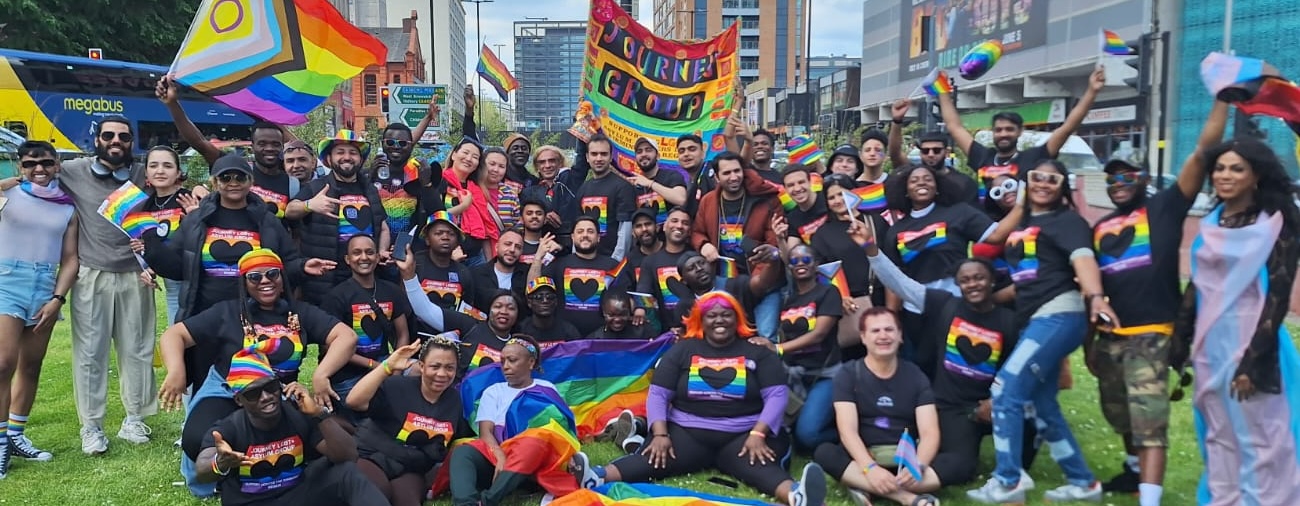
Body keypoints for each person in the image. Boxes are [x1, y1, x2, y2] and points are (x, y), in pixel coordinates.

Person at [1086, 101, 1227, 504]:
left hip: (1152, 336)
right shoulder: (1100, 226)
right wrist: (1089, 343)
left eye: (1127, 175)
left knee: (1149, 420)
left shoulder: (1164, 206)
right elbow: (1091, 287)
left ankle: (1150, 499)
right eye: (1112, 177)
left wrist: (1221, 100)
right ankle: (1134, 474)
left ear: (1143, 177)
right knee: (1119, 416)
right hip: (1111, 337)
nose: (1119, 183)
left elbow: (1203, 153)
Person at [576, 291, 827, 506]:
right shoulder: (683, 350)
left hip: (744, 434)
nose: (720, 320)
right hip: (688, 432)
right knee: (652, 458)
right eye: (712, 315)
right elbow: (659, 394)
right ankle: (596, 476)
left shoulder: (757, 352)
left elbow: (777, 395)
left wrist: (759, 433)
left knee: (759, 465)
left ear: (737, 317)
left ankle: (797, 496)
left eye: (727, 314)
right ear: (701, 320)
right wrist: (661, 434)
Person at [966, 159, 1118, 503]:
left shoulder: (1067, 221)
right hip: (1036, 317)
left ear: (1063, 185)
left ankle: (1008, 480)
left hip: (1059, 315)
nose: (1044, 184)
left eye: (1053, 179)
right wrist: (986, 299)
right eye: (1037, 178)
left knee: (1004, 392)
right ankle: (1083, 483)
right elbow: (1016, 273)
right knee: (1041, 404)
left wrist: (1095, 297)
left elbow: (1083, 261)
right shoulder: (1027, 221)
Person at [158, 248, 356, 496]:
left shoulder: (299, 313)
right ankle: (219, 479)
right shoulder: (227, 312)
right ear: (244, 283)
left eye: (272, 274)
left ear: (282, 278)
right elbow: (174, 335)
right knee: (198, 438)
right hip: (227, 389)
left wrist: (320, 374)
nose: (265, 281)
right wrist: (176, 371)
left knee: (321, 441)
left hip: (277, 393)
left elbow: (346, 336)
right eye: (255, 277)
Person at [1171, 137, 1300, 506]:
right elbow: (1198, 284)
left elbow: (1278, 296)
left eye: (1236, 168)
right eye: (1220, 168)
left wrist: (1253, 361)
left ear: (1256, 175)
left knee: (1262, 437)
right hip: (1211, 343)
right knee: (1219, 433)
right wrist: (1179, 340)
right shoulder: (1212, 222)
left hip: (1253, 341)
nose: (1225, 175)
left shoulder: (1278, 225)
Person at [859, 221, 1033, 488]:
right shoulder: (944, 305)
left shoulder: (1008, 321)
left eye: (979, 278)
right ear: (958, 285)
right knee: (961, 466)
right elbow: (901, 284)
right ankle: (893, 484)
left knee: (1031, 420)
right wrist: (872, 249)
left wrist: (995, 399)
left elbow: (1021, 368)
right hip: (951, 408)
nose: (972, 284)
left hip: (992, 404)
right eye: (965, 280)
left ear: (991, 281)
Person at [52, 115, 158, 454]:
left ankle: (135, 419)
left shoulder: (144, 173)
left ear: (131, 142)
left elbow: (176, 185)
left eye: (124, 137)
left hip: (136, 273)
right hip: (91, 274)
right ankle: (92, 427)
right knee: (89, 354)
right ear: (97, 138)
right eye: (109, 135)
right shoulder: (74, 171)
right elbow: (34, 174)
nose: (116, 141)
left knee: (138, 350)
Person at [143, 153, 328, 324]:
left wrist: (303, 266)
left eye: (240, 177)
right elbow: (177, 269)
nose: (233, 183)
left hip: (254, 315)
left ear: (250, 182)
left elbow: (286, 263)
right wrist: (152, 246)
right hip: (204, 316)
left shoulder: (267, 221)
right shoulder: (196, 220)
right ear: (214, 182)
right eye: (225, 178)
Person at [196, 344, 388, 505]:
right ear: (239, 400)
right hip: (250, 501)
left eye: (270, 387)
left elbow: (348, 456)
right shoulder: (231, 427)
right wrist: (219, 463)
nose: (266, 397)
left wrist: (319, 414)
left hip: (296, 495)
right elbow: (202, 468)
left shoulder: (297, 415)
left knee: (347, 474)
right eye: (254, 394)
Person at [0, 141, 78, 475]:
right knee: (3, 363)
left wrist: (57, 298)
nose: (39, 169)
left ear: (57, 164)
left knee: (31, 366)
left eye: (46, 162)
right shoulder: (8, 197)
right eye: (30, 163)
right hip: (7, 281)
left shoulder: (66, 206)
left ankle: (16, 434)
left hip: (45, 287)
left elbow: (71, 259)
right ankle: (0, 444)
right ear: (20, 165)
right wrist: (10, 183)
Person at [813, 308, 941, 506]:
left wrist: (919, 465)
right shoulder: (847, 374)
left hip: (905, 462)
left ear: (900, 336)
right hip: (865, 458)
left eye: (889, 330)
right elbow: (847, 431)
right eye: (875, 331)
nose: (883, 336)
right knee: (824, 452)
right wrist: (870, 468)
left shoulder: (917, 376)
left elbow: (929, 432)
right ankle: (907, 498)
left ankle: (865, 486)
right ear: (863, 338)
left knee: (959, 464)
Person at [447, 335, 585, 505]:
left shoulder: (547, 389)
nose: (505, 367)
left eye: (512, 360)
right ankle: (465, 503)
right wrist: (500, 456)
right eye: (503, 361)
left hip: (535, 461)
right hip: (499, 457)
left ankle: (487, 501)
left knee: (533, 443)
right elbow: (485, 432)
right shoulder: (493, 391)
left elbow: (557, 431)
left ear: (531, 363)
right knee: (463, 451)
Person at [939, 67, 1105, 198]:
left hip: (1021, 232)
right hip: (986, 230)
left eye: (1009, 129)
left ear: (1020, 132)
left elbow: (1067, 127)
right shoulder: (983, 157)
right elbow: (955, 127)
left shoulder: (1033, 158)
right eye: (998, 130)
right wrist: (943, 90)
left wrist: (1092, 92)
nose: (1004, 134)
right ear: (993, 133)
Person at [346, 338, 472, 506]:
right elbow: (354, 401)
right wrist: (387, 366)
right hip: (373, 456)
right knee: (376, 496)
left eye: (449, 368)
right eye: (435, 366)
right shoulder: (397, 386)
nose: (442, 374)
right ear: (421, 366)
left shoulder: (454, 400)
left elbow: (453, 441)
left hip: (410, 468)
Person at [158, 77, 299, 220]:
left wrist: (271, 111)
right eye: (262, 144)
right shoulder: (236, 169)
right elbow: (199, 143)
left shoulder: (293, 182)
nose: (269, 148)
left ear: (283, 146)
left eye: (275, 144)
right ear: (252, 145)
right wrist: (172, 104)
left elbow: (301, 148)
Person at [750, 243, 842, 451]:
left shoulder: (828, 292)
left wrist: (778, 348)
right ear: (789, 268)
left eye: (806, 260)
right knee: (787, 435)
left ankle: (849, 433)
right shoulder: (788, 300)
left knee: (807, 436)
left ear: (816, 264)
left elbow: (819, 334)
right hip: (793, 376)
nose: (800, 264)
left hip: (825, 374)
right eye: (794, 261)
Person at [285, 131, 390, 304]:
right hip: (326, 280)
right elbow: (290, 210)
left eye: (353, 152)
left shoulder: (370, 189)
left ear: (361, 159)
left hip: (365, 276)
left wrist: (382, 250)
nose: (347, 157)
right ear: (329, 159)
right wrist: (309, 205)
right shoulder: (316, 187)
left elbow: (383, 226)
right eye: (340, 152)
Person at [320, 234, 413, 424]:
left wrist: (394, 368)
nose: (364, 257)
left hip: (386, 363)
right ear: (347, 259)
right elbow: (331, 348)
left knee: (419, 372)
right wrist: (377, 367)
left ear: (378, 258)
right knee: (372, 408)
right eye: (357, 253)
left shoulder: (391, 290)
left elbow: (403, 334)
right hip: (349, 373)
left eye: (370, 252)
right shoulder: (336, 296)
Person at [691, 151, 785, 338]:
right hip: (724, 281)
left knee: (766, 338)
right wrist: (703, 245)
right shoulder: (708, 201)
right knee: (727, 337)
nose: (733, 177)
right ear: (717, 177)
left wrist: (759, 279)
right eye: (726, 173)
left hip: (763, 281)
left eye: (737, 171)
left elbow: (774, 241)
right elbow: (696, 232)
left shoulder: (766, 200)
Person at [398, 248, 526, 372]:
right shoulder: (470, 324)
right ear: (489, 310)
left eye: (511, 308)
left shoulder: (519, 345)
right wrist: (409, 277)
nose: (503, 311)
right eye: (498, 306)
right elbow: (425, 310)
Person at [807, 174, 889, 350]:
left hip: (879, 298)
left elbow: (892, 260)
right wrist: (839, 297)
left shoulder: (875, 222)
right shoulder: (822, 233)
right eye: (831, 197)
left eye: (841, 194)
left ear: (852, 194)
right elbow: (820, 271)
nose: (837, 200)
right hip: (847, 306)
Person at [527, 217, 628, 336]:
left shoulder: (613, 265)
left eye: (590, 231)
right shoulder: (559, 263)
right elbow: (531, 289)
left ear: (599, 237)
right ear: (572, 237)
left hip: (602, 338)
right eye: (580, 231)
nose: (585, 235)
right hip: (565, 337)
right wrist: (538, 258)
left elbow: (624, 300)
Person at [136, 146, 200, 324]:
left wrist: (196, 216)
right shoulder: (146, 206)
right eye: (154, 165)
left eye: (167, 166)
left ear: (179, 171)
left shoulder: (189, 199)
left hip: (196, 281)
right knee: (176, 331)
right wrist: (147, 267)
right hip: (171, 283)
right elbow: (149, 244)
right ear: (146, 171)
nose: (160, 171)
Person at [671, 247, 783, 336]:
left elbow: (762, 283)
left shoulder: (735, 286)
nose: (699, 269)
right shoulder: (684, 307)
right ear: (684, 280)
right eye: (692, 268)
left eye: (702, 263)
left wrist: (773, 261)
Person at [372, 113, 443, 246]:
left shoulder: (420, 172)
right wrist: (368, 178)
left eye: (403, 143)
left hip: (411, 250)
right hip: (376, 252)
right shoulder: (371, 173)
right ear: (383, 144)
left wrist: (427, 184)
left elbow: (438, 214)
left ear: (411, 146)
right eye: (390, 142)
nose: (396, 147)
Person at [575, 134, 637, 259]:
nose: (598, 158)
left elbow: (625, 230)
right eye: (594, 154)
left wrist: (616, 262)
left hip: (612, 261)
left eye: (603, 154)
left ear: (610, 157)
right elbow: (578, 228)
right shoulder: (583, 188)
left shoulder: (623, 187)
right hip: (586, 260)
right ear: (587, 157)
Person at [634, 207, 695, 331]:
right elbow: (643, 293)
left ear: (689, 231)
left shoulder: (697, 258)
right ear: (664, 226)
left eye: (685, 223)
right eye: (674, 221)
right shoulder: (650, 261)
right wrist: (639, 309)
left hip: (696, 329)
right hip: (665, 333)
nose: (679, 226)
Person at [409, 211, 476, 317]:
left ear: (457, 242)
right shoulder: (413, 264)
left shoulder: (463, 272)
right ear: (427, 239)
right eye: (438, 233)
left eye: (451, 234)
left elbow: (467, 310)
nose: (445, 237)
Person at [520, 145, 586, 239]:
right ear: (537, 167)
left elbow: (582, 159)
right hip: (541, 243)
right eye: (542, 162)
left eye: (552, 160)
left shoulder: (571, 181)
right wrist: (542, 217)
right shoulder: (529, 192)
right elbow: (523, 219)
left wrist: (583, 136)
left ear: (560, 163)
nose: (547, 165)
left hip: (571, 243)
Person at [625, 136, 687, 225]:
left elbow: (681, 199)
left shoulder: (671, 175)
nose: (643, 154)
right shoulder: (634, 184)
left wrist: (650, 183)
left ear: (658, 156)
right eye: (639, 151)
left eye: (648, 150)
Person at [470, 228, 526, 312]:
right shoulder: (476, 274)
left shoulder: (527, 273)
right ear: (496, 247)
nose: (512, 250)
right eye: (508, 244)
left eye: (518, 247)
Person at [516, 277, 582, 342]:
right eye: (539, 297)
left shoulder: (569, 331)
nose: (545, 301)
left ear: (556, 301)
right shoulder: (520, 331)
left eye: (549, 297)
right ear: (529, 302)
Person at [479, 148, 521, 244]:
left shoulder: (510, 194)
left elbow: (517, 227)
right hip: (477, 253)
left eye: (501, 166)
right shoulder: (471, 190)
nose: (496, 170)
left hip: (504, 252)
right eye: (492, 164)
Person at [780, 164, 829, 245]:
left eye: (801, 182)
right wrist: (780, 239)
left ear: (810, 182)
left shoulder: (829, 198)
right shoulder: (793, 218)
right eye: (790, 185)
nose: (797, 188)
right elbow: (791, 254)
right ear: (785, 189)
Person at [587, 291, 651, 339]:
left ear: (630, 312)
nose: (617, 319)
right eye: (611, 315)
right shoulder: (595, 340)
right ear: (604, 312)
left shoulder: (644, 333)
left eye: (622, 315)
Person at [678, 134, 714, 214]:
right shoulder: (687, 186)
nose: (686, 154)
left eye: (692, 149)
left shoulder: (714, 169)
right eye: (681, 151)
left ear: (703, 154)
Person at [518, 196, 555, 265]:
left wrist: (560, 249)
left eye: (539, 213)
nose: (534, 216)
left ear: (545, 219)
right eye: (529, 213)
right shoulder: (516, 245)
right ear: (521, 219)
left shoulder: (552, 246)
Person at [625, 208, 663, 274]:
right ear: (633, 232)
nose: (644, 229)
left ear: (657, 227)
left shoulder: (671, 250)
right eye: (638, 226)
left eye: (648, 224)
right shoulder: (630, 260)